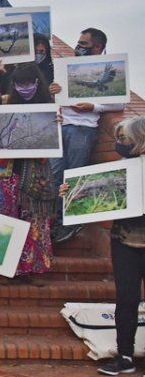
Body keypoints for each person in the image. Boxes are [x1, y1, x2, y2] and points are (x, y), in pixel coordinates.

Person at [0, 63, 55, 284]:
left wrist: (57, 125)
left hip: (35, 171)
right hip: (5, 170)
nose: (24, 88)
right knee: (2, 216)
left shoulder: (49, 107)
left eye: (28, 83)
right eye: (19, 84)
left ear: (37, 83)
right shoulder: (4, 103)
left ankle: (33, 268)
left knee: (35, 219)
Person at [49, 28, 123, 244]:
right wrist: (53, 89)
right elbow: (55, 95)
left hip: (83, 128)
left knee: (73, 175)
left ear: (98, 47)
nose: (78, 47)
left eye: (84, 44)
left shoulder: (112, 69)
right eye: (78, 43)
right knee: (54, 174)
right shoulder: (66, 68)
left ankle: (68, 223)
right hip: (60, 125)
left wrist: (94, 106)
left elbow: (119, 102)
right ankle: (56, 220)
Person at [84, 116, 145, 375]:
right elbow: (92, 199)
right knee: (126, 299)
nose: (119, 143)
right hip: (125, 242)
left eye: (124, 139)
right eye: (118, 138)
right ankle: (125, 355)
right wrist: (73, 193)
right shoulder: (118, 169)